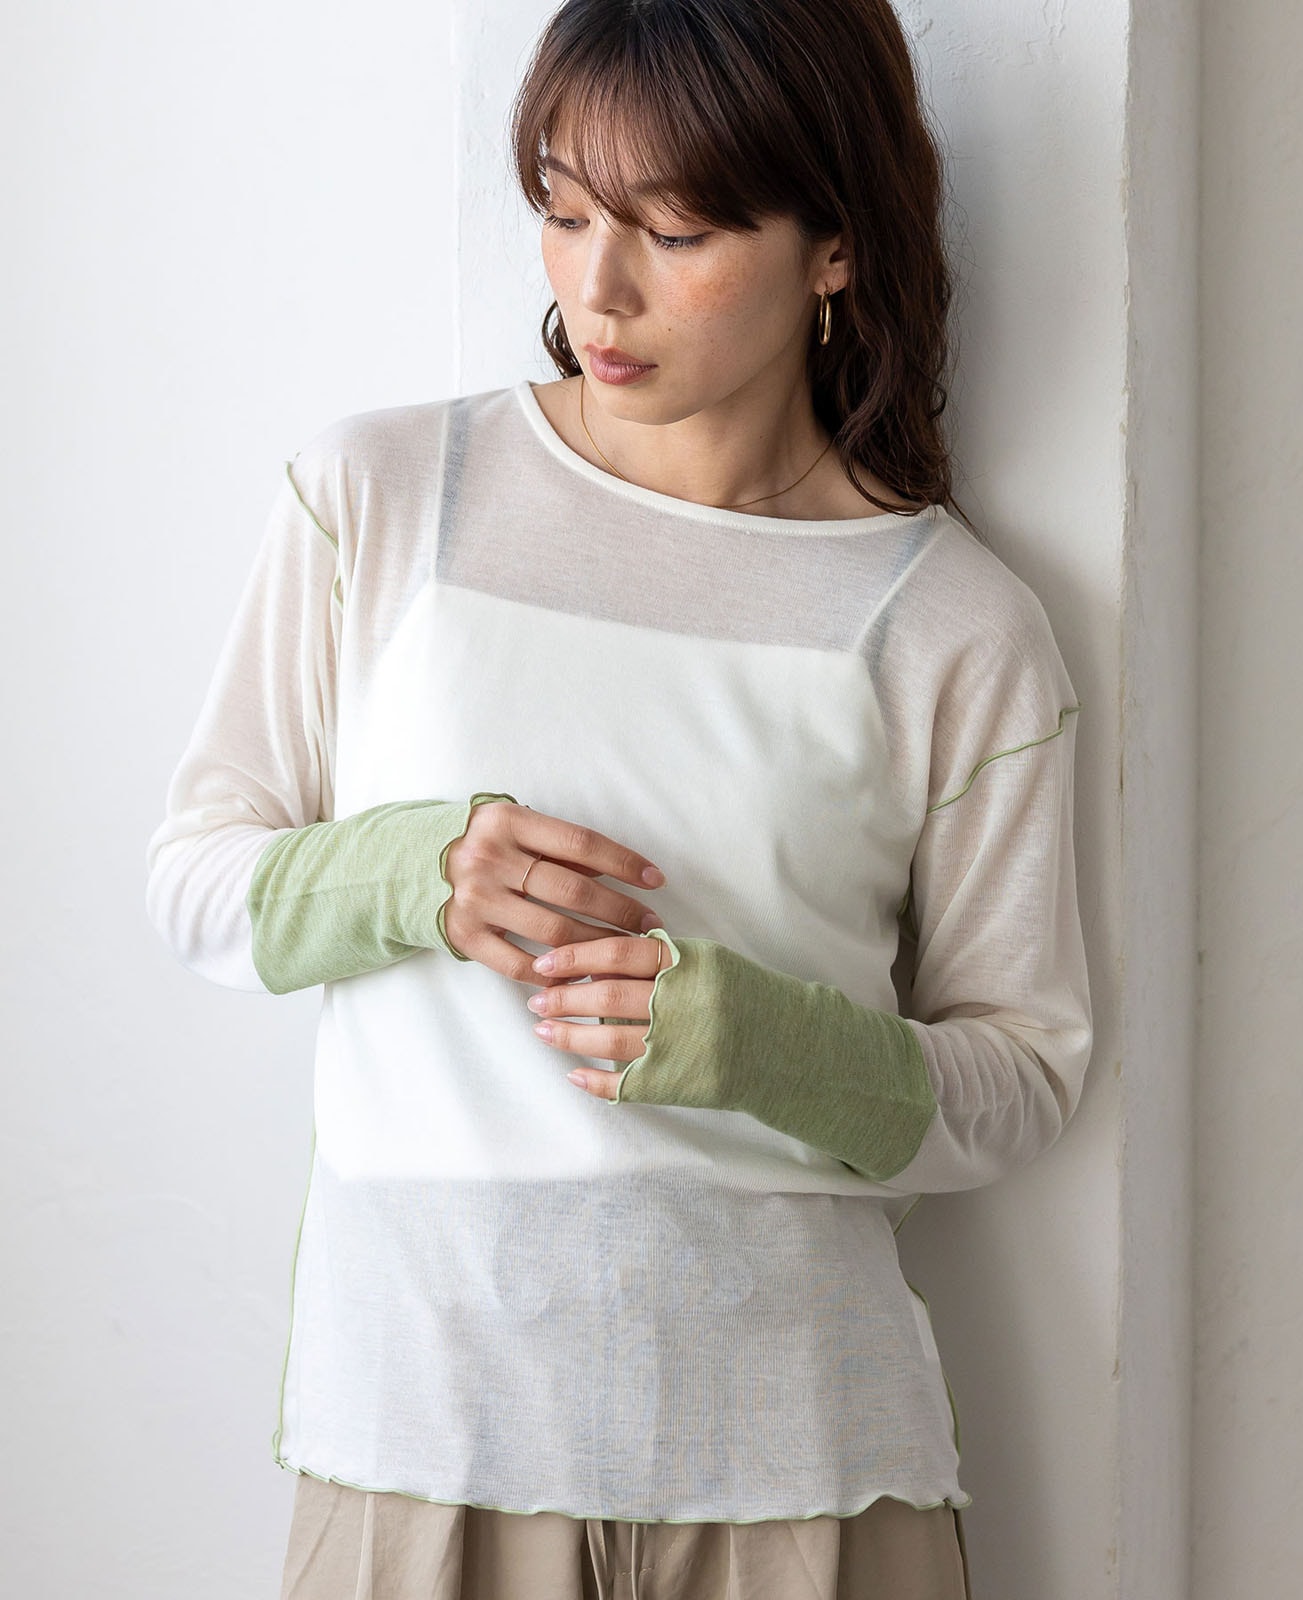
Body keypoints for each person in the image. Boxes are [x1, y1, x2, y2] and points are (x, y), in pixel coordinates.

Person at [145, 0, 1093, 1595]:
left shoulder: (950, 623)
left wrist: (770, 1045)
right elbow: (192, 882)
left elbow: (1024, 1073)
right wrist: (405, 876)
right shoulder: (385, 498)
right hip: (420, 1445)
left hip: (801, 1468)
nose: (597, 286)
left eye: (676, 231)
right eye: (565, 211)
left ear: (834, 247)